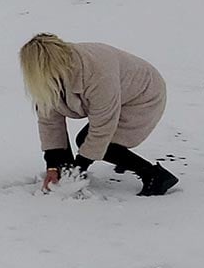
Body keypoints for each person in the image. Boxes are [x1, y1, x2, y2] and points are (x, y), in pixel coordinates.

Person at [18, 33, 178, 196]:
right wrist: (53, 166)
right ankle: (68, 169)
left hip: (143, 94)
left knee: (98, 142)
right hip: (117, 90)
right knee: (90, 145)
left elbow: (102, 126)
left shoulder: (97, 73)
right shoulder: (45, 78)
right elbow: (50, 122)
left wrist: (79, 168)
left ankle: (155, 176)